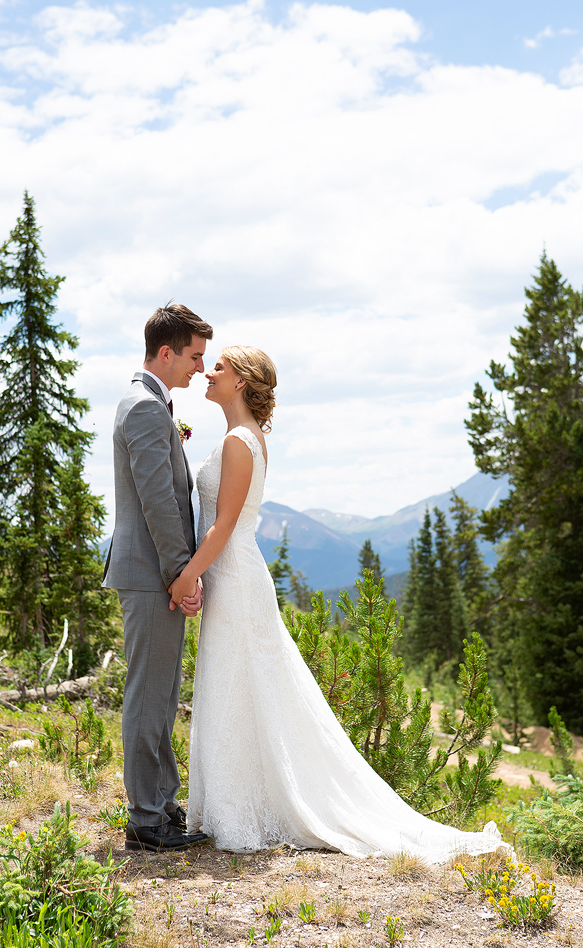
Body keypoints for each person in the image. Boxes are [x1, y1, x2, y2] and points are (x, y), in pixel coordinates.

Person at [169, 346, 510, 861]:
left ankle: (244, 809)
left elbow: (223, 527)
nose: (208, 373)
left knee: (240, 685)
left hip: (234, 577)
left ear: (241, 382)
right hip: (230, 577)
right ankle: (233, 805)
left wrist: (186, 576)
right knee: (237, 689)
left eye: (218, 367)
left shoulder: (241, 442)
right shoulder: (241, 438)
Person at [103, 304, 213, 852]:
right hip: (152, 575)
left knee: (163, 694)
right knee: (149, 696)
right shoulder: (145, 408)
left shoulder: (150, 404)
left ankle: (162, 804)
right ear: (165, 352)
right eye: (194, 356)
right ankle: (145, 818)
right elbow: (160, 505)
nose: (199, 367)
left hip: (156, 574)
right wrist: (180, 574)